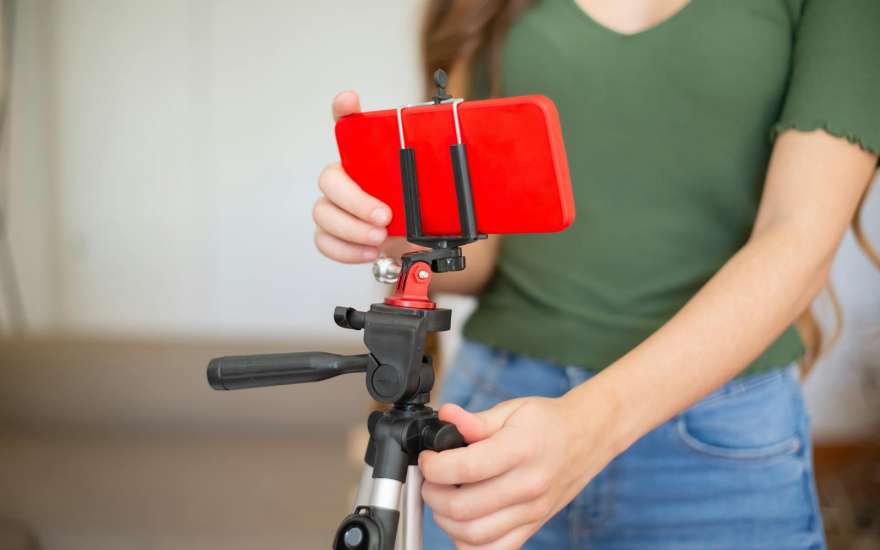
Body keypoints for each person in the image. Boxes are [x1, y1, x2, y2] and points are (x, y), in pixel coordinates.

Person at [312, 1, 880, 548]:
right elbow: (481, 249)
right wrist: (387, 228)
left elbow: (798, 239)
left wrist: (586, 428)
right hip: (492, 414)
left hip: (720, 440)